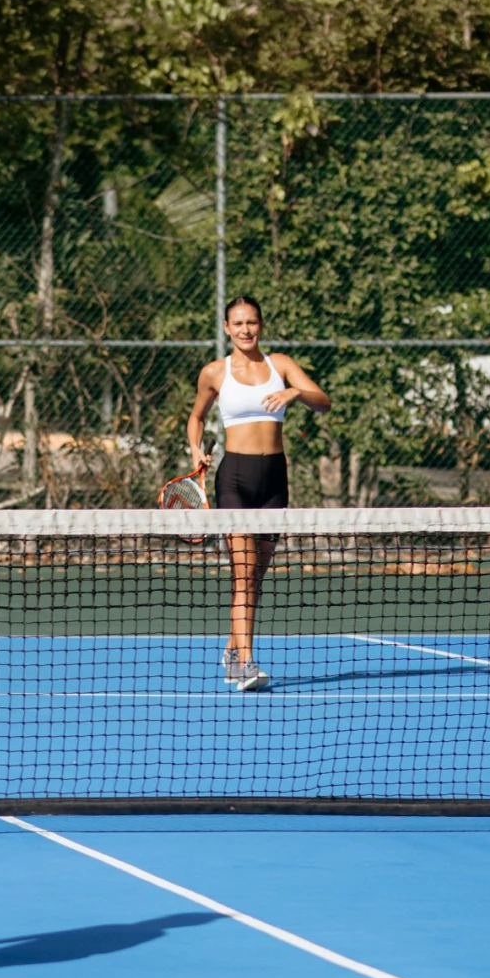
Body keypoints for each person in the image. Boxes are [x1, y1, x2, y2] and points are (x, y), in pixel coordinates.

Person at [186, 295, 332, 692]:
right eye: (238, 323)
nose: (245, 329)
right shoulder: (214, 372)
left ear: (260, 326)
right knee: (243, 574)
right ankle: (245, 664)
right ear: (226, 328)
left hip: (274, 482)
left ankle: (234, 647)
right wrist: (196, 449)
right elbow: (196, 417)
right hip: (234, 477)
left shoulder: (280, 365)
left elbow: (324, 402)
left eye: (251, 322)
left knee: (258, 576)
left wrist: (295, 393)